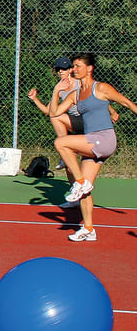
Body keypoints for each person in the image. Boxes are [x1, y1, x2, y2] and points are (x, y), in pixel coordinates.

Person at [51, 53, 137, 242]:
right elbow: (54, 113)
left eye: (78, 66)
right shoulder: (75, 94)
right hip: (91, 141)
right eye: (73, 66)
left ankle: (79, 182)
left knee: (61, 143)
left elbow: (127, 102)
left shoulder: (101, 88)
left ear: (89, 68)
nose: (74, 69)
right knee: (85, 192)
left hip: (104, 139)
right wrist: (56, 91)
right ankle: (88, 229)